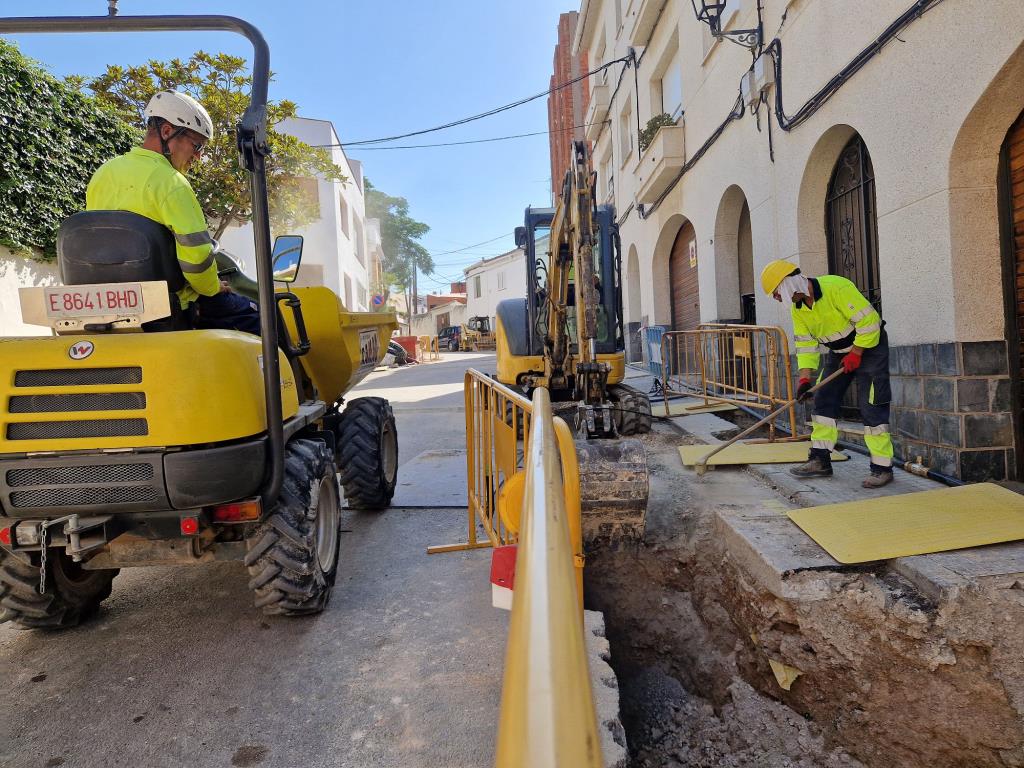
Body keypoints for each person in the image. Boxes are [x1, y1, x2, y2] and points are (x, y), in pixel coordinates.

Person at [86, 90, 260, 335]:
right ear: (167, 131)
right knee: (261, 317)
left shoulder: (104, 173)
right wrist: (214, 288)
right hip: (172, 304)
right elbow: (197, 259)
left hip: (113, 302)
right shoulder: (172, 182)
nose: (198, 157)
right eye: (196, 145)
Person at [760, 259, 894, 489]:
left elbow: (870, 322)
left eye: (776, 293)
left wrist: (857, 352)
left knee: (871, 405)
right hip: (839, 352)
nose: (777, 298)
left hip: (870, 347)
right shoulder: (799, 309)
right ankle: (820, 460)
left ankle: (882, 468)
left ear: (788, 284)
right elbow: (805, 345)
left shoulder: (836, 287)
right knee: (823, 400)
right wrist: (804, 378)